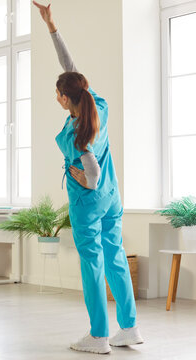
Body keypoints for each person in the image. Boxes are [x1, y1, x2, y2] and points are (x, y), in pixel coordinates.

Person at [33, 2, 144, 354]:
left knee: (93, 265)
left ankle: (98, 335)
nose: (56, 97)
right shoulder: (98, 105)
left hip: (89, 202)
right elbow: (72, 69)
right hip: (113, 198)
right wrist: (52, 28)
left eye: (57, 94)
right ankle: (129, 328)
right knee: (115, 257)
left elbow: (91, 172)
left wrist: (83, 179)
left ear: (66, 99)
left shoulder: (76, 133)